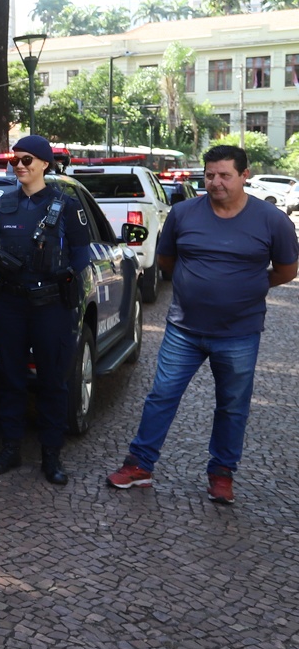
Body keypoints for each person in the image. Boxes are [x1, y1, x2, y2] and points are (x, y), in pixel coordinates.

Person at [107, 144, 297, 504]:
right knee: (162, 396)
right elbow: (165, 259)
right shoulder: (182, 213)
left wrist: (248, 288)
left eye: (225, 175)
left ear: (244, 175)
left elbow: (288, 270)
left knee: (232, 405)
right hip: (184, 329)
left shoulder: (272, 220)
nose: (216, 182)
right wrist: (197, 285)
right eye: (210, 175)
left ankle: (222, 474)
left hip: (240, 333)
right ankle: (140, 465)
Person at [0, 135, 92, 486]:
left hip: (50, 307)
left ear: (45, 163)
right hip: (11, 304)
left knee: (52, 382)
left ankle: (51, 454)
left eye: (27, 160)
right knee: (10, 378)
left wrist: (64, 279)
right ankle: (10, 448)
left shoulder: (66, 204)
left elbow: (81, 254)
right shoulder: (2, 205)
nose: (19, 166)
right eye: (15, 160)